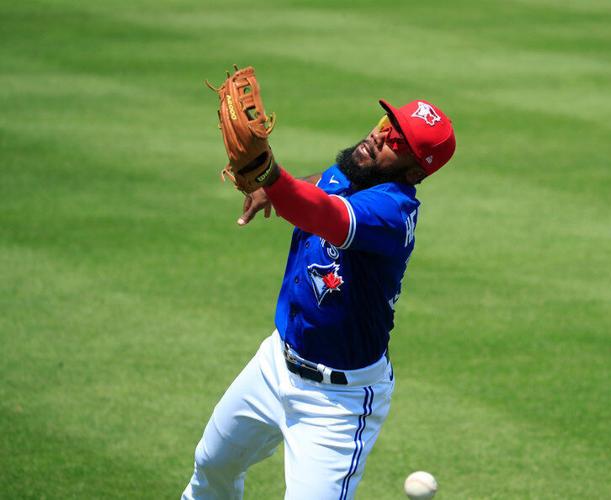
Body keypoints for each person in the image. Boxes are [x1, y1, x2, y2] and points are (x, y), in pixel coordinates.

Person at [182, 99, 456, 499]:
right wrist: (275, 192)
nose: (379, 135)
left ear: (415, 171)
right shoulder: (356, 173)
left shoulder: (391, 212)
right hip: (274, 364)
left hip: (336, 403)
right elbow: (322, 185)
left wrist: (270, 175)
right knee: (212, 465)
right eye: (386, 122)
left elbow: (325, 214)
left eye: (396, 140)